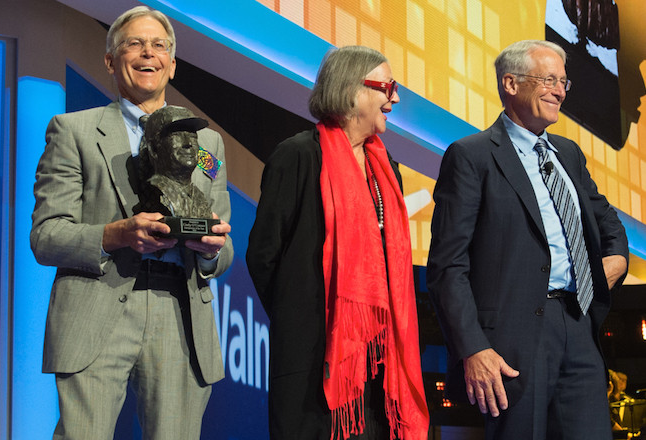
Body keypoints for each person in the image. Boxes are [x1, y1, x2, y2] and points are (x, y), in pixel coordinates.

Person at [30, 6, 232, 439]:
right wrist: (115, 234)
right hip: (97, 308)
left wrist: (212, 249)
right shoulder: (73, 131)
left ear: (172, 64)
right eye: (134, 44)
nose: (148, 53)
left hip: (180, 313)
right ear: (110, 60)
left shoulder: (205, 145)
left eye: (159, 46)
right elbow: (46, 236)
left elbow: (225, 243)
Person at [427, 39, 629, 440]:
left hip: (578, 323)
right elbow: (448, 265)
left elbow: (608, 222)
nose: (559, 90)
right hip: (512, 342)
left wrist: (617, 260)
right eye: (548, 80)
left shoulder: (568, 154)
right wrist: (473, 348)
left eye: (563, 82)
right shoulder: (473, 156)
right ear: (511, 83)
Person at [246, 45, 429, 440]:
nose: (394, 97)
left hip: (379, 363)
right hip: (314, 359)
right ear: (350, 90)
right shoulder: (298, 156)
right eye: (387, 86)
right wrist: (303, 318)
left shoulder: (387, 169)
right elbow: (264, 254)